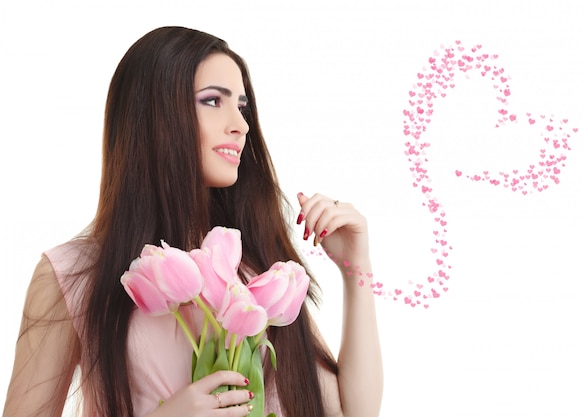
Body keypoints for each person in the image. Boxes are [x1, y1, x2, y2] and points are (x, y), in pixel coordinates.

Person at [2, 26, 383, 417]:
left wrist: (357, 267)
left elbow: (354, 412)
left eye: (242, 106)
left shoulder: (255, 267)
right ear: (153, 114)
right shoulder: (74, 275)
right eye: (213, 101)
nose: (241, 125)